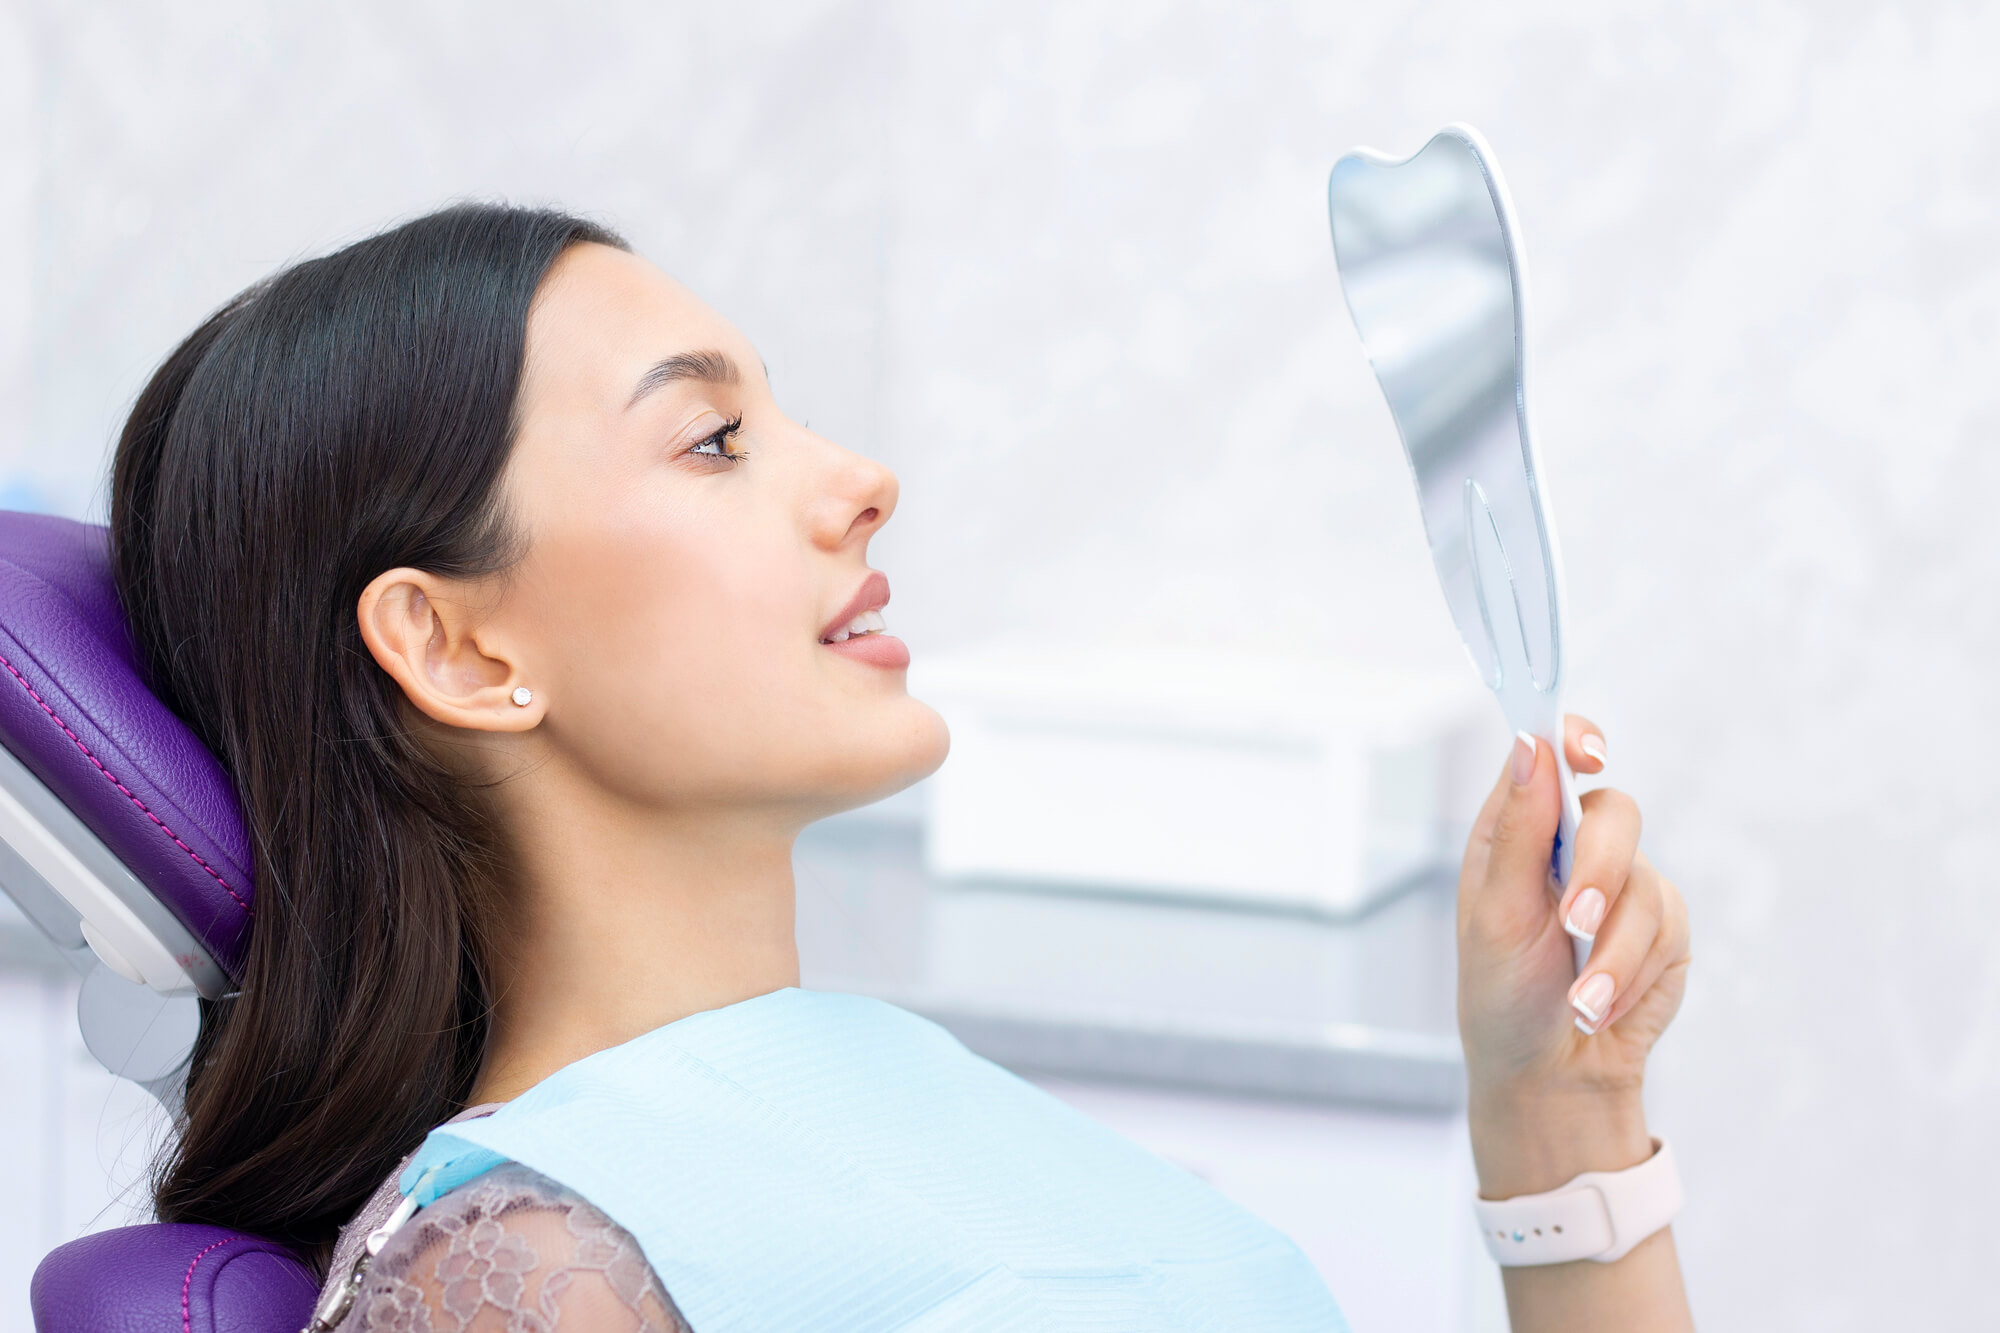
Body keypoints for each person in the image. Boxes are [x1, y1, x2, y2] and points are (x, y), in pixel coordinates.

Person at [111, 204, 1694, 1331]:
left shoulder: (930, 1099)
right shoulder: (529, 1271)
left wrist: (1560, 1117)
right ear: (461, 649)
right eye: (713, 441)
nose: (862, 481)